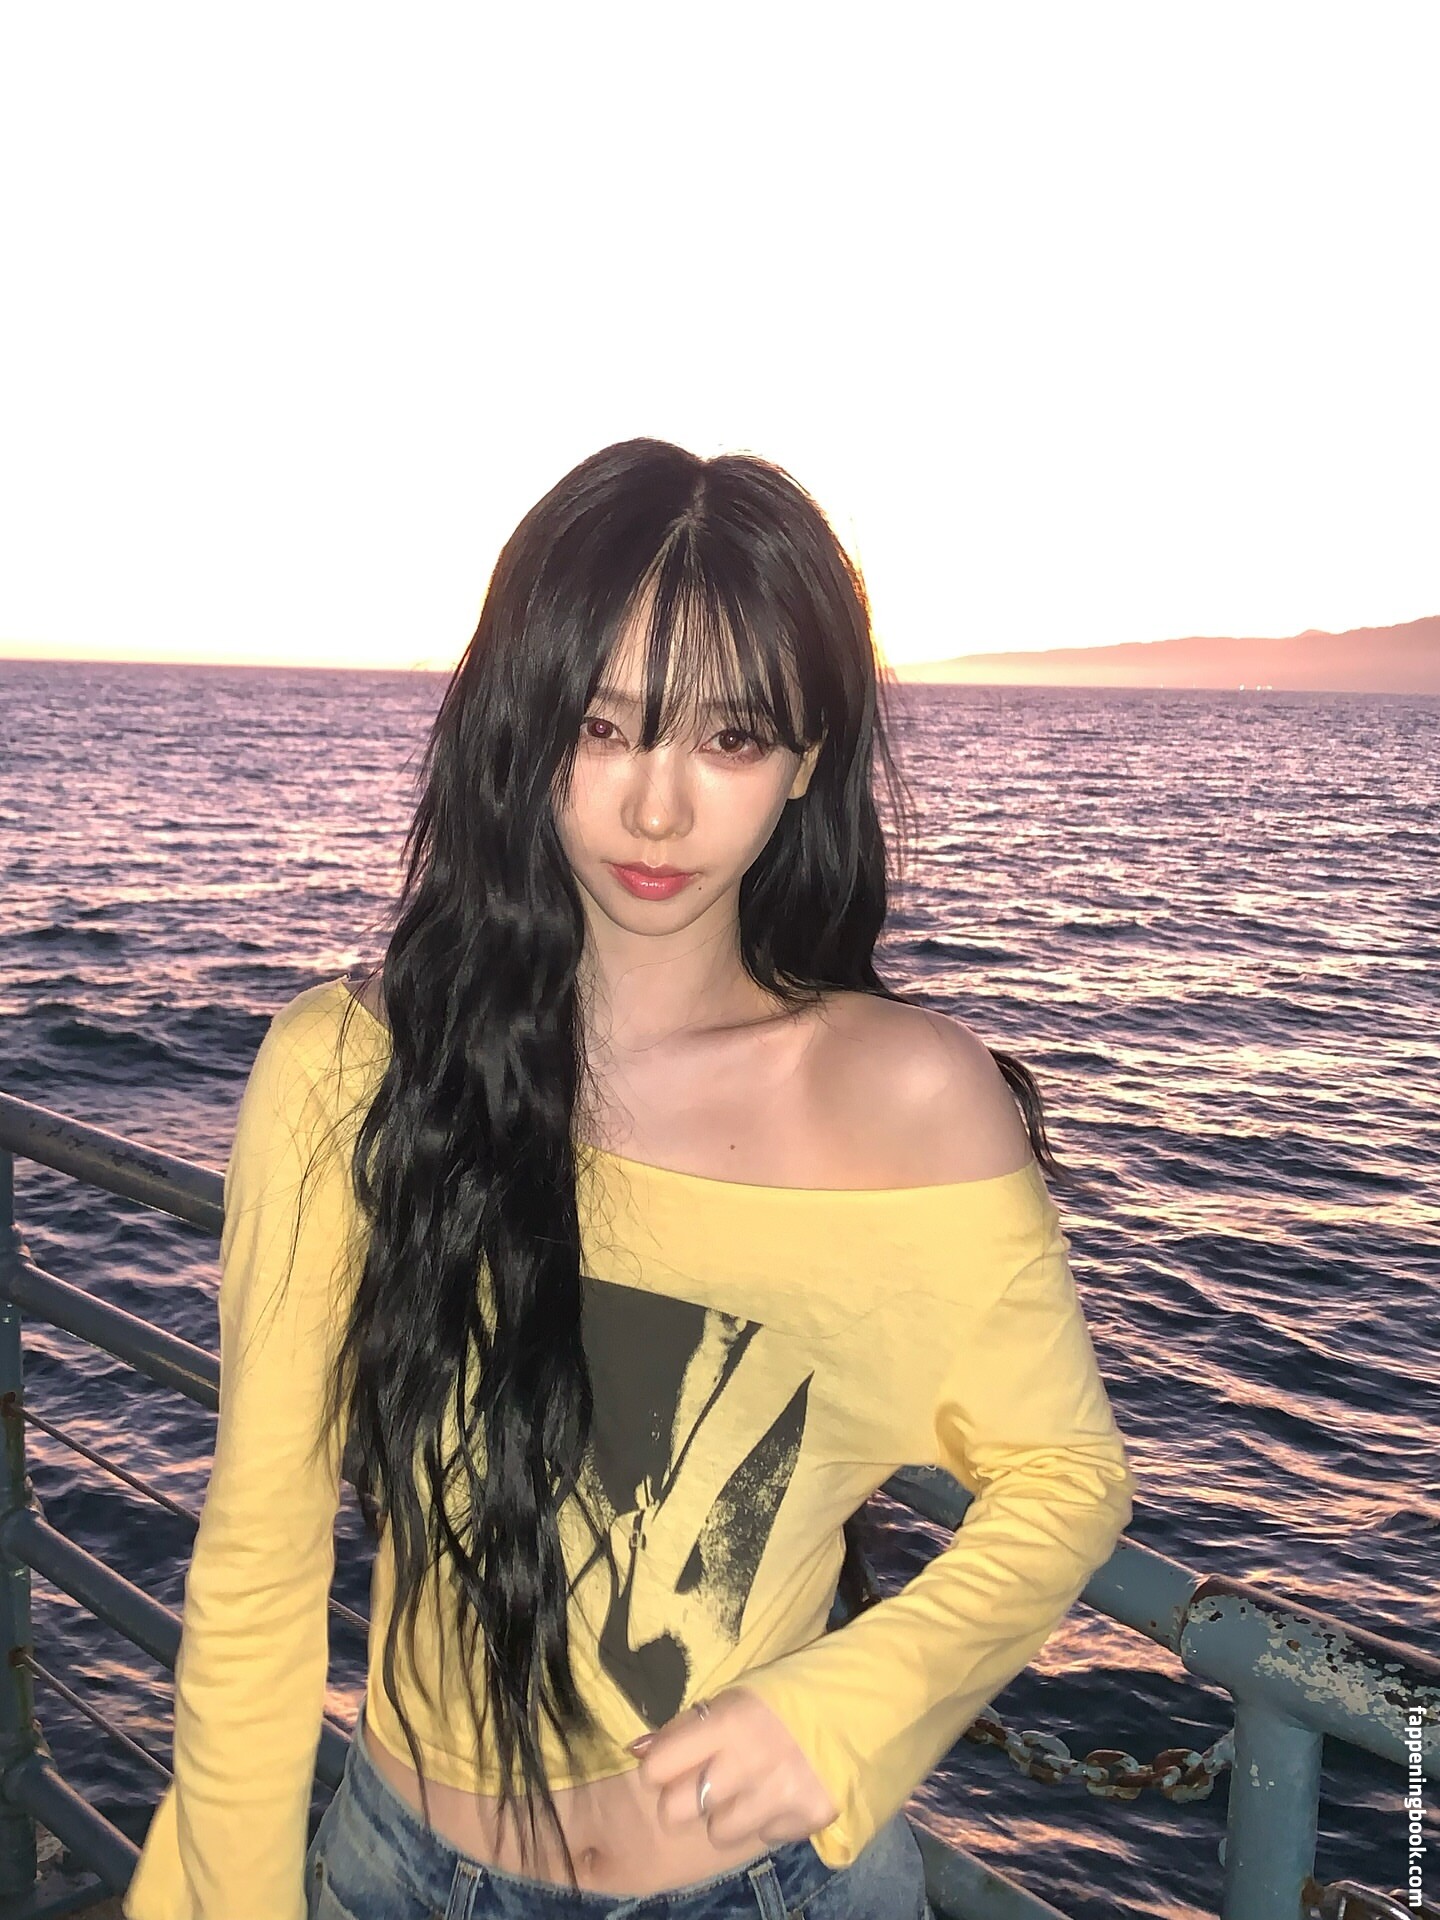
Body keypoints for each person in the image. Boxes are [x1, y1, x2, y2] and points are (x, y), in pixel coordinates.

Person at [122, 438, 1137, 1920]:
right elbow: (260, 1561)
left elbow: (1063, 1475)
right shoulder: (349, 1070)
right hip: (402, 1873)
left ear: (808, 761)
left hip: (773, 1891)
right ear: (516, 725)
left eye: (732, 738)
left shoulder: (912, 1098)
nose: (657, 811)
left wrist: (848, 1707)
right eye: (600, 728)